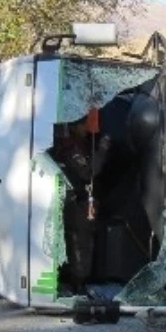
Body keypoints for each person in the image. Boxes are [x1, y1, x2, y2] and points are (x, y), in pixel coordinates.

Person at [49, 119, 112, 291]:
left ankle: (77, 278)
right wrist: (103, 148)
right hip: (78, 203)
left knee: (80, 241)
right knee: (80, 243)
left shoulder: (78, 144)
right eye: (84, 125)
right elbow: (88, 172)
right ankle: (78, 282)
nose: (88, 128)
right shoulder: (71, 148)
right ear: (75, 127)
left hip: (80, 201)